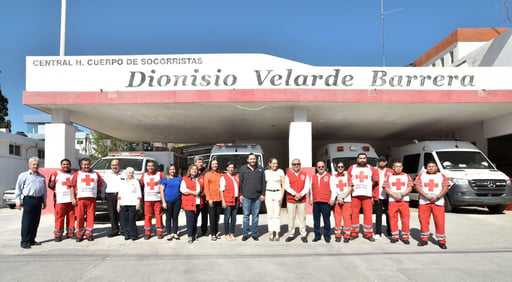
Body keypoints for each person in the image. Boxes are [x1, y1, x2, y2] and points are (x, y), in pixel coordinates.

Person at [414, 160, 450, 249]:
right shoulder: (421, 175)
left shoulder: (441, 176)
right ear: (426, 167)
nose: (430, 168)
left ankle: (441, 241)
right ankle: (424, 239)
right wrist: (426, 196)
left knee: (440, 222)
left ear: (436, 167)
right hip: (424, 202)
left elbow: (446, 188)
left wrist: (437, 197)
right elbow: (417, 186)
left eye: (432, 166)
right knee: (423, 221)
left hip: (438, 202)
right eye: (429, 166)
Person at [14, 157, 47, 249]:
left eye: (37, 164)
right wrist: (18, 201)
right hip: (28, 200)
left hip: (38, 200)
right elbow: (18, 189)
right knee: (27, 221)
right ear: (29, 165)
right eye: (34, 164)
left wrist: (44, 201)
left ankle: (32, 239)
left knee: (35, 221)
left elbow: (44, 190)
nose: (35, 166)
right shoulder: (23, 175)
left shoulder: (41, 177)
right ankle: (24, 241)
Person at [69, 158, 104, 242]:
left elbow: (100, 184)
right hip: (80, 199)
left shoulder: (96, 174)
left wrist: (94, 190)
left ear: (90, 164)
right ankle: (79, 234)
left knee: (91, 216)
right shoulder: (77, 174)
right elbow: (72, 187)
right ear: (81, 165)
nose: (86, 166)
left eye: (88, 164)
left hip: (92, 199)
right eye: (84, 164)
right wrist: (73, 198)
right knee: (80, 217)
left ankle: (89, 234)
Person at [348, 153, 379, 242]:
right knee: (354, 215)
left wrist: (373, 194)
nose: (362, 160)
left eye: (364, 158)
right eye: (360, 158)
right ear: (357, 159)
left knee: (368, 215)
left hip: (367, 196)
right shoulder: (352, 168)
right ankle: (354, 233)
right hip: (355, 195)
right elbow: (348, 180)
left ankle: (368, 234)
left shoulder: (371, 168)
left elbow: (376, 181)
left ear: (366, 159)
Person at [383, 161, 413, 244]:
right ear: (393, 168)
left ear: (402, 167)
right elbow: (386, 188)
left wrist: (402, 195)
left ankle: (405, 237)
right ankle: (395, 236)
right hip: (393, 201)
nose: (398, 168)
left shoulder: (406, 176)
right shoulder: (388, 177)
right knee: (393, 219)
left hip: (404, 200)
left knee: (405, 219)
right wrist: (395, 195)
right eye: (396, 166)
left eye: (400, 166)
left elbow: (410, 187)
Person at [48, 158, 77, 242]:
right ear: (61, 165)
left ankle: (70, 233)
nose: (66, 166)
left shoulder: (74, 174)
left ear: (70, 165)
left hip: (71, 200)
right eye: (64, 164)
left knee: (71, 217)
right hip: (60, 200)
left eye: (67, 164)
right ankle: (58, 235)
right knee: (59, 218)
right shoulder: (55, 174)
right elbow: (51, 185)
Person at [239, 153, 266, 241]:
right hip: (246, 196)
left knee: (255, 216)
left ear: (256, 159)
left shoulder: (260, 168)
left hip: (257, 197)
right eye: (251, 159)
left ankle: (254, 234)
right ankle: (245, 234)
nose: (252, 160)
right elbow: (240, 183)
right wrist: (241, 194)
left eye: (254, 159)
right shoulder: (243, 169)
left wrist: (263, 194)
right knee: (246, 216)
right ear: (247, 160)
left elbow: (263, 183)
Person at [284, 158, 310, 243]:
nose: (296, 166)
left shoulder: (305, 174)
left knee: (302, 218)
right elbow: (287, 186)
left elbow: (307, 187)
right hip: (291, 199)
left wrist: (300, 194)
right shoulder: (288, 175)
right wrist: (295, 194)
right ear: (292, 165)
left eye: (298, 164)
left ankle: (303, 235)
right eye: (294, 164)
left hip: (301, 200)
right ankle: (291, 234)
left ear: (300, 165)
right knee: (291, 218)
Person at [329, 161, 353, 243]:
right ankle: (338, 235)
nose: (340, 168)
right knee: (337, 219)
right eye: (338, 167)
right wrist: (336, 198)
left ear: (344, 168)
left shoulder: (347, 176)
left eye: (341, 167)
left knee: (347, 218)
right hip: (337, 201)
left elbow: (350, 188)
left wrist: (342, 197)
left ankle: (347, 235)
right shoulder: (333, 177)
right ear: (336, 168)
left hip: (346, 200)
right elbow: (333, 189)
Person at [180, 164, 204, 244]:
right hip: (188, 202)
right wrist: (193, 192)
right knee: (190, 220)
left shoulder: (199, 179)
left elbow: (201, 189)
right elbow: (183, 189)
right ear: (189, 171)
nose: (194, 170)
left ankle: (194, 233)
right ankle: (190, 236)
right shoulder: (185, 179)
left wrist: (201, 192)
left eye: (196, 169)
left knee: (195, 220)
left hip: (197, 202)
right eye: (193, 169)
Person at [141, 160, 164, 239]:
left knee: (159, 215)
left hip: (157, 199)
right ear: (146, 167)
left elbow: (163, 185)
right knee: (148, 216)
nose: (150, 167)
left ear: (154, 167)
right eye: (149, 166)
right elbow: (142, 185)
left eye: (152, 166)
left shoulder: (159, 174)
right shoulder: (144, 175)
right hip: (147, 199)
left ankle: (160, 232)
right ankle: (148, 232)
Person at [310, 160, 333, 243]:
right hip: (316, 202)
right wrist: (310, 198)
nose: (321, 168)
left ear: (325, 167)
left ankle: (327, 236)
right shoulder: (313, 177)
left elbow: (333, 189)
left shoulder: (329, 176)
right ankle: (317, 235)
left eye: (322, 167)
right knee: (316, 220)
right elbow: (311, 189)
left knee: (326, 220)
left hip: (325, 202)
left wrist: (332, 199)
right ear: (316, 168)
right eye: (319, 167)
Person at [117, 167, 142, 241]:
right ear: (126, 173)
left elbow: (139, 193)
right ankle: (127, 234)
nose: (130, 174)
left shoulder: (136, 182)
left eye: (132, 173)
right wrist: (118, 204)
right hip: (123, 203)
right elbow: (120, 193)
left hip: (132, 203)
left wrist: (138, 203)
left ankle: (134, 234)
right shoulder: (122, 182)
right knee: (125, 220)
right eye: (129, 173)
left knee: (131, 220)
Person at [264, 158, 285, 241]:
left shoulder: (280, 171)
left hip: (278, 193)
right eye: (273, 163)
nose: (275, 165)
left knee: (277, 214)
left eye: (276, 163)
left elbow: (283, 185)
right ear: (269, 164)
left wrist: (282, 197)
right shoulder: (266, 172)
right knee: (270, 214)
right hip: (268, 193)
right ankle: (271, 233)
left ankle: (277, 233)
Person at [159, 164, 182, 241]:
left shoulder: (179, 178)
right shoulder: (165, 178)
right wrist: (163, 202)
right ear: (168, 170)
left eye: (174, 169)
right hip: (168, 201)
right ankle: (169, 233)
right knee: (168, 217)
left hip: (177, 201)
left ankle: (175, 232)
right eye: (171, 169)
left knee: (175, 217)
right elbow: (161, 190)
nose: (173, 171)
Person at [103, 159, 125, 237]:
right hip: (110, 195)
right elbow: (103, 185)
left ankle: (123, 230)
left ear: (119, 165)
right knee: (112, 213)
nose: (114, 167)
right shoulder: (107, 174)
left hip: (122, 195)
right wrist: (103, 195)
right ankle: (114, 230)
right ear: (111, 166)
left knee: (122, 213)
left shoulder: (124, 174)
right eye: (113, 165)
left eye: (116, 165)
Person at [204, 158, 223, 240]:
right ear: (210, 165)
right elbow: (206, 187)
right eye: (213, 164)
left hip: (219, 198)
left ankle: (216, 231)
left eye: (216, 164)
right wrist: (209, 199)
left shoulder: (220, 174)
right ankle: (212, 234)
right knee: (212, 216)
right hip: (211, 199)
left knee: (217, 217)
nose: (215, 165)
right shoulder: (207, 174)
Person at [219, 161, 239, 241]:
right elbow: (221, 190)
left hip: (236, 199)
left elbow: (238, 188)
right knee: (227, 217)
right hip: (227, 200)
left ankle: (232, 233)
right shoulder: (223, 177)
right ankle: (226, 234)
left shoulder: (236, 176)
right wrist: (223, 201)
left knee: (234, 218)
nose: (231, 169)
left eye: (232, 167)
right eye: (229, 167)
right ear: (227, 168)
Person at [375, 156, 393, 239]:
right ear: (378, 162)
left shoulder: (390, 171)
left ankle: (389, 231)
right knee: (378, 215)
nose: (382, 162)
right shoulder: (374, 171)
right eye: (380, 161)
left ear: (386, 162)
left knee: (389, 214)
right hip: (377, 196)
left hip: (388, 196)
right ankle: (378, 232)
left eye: (384, 161)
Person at [194, 156, 209, 237]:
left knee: (204, 215)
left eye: (201, 162)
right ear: (195, 163)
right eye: (198, 162)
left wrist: (204, 192)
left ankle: (204, 230)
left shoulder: (206, 171)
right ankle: (194, 231)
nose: (200, 164)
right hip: (195, 197)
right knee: (195, 215)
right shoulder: (193, 171)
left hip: (204, 197)